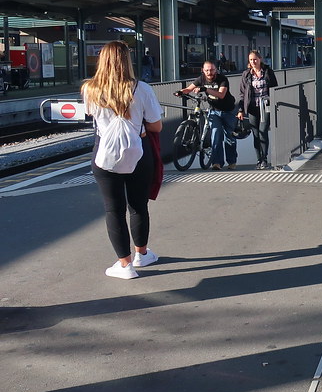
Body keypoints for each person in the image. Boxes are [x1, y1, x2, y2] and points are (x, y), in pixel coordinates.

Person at [81, 41, 163, 280]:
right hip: (138, 152)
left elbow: (93, 117)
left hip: (104, 153)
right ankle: (142, 254)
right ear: (126, 60)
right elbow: (156, 125)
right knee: (138, 206)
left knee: (113, 210)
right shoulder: (142, 88)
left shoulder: (89, 90)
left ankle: (124, 265)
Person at [178, 61, 237, 170]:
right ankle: (217, 163)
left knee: (230, 137)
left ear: (216, 70)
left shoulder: (222, 79)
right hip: (213, 111)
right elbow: (189, 88)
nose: (209, 72)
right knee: (216, 135)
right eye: (207, 70)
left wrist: (205, 89)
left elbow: (221, 95)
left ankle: (231, 161)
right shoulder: (201, 79)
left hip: (228, 111)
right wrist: (181, 92)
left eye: (211, 70)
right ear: (203, 70)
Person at [237, 50, 278, 170]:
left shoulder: (268, 72)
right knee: (255, 134)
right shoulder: (246, 74)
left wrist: (272, 100)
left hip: (266, 106)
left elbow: (275, 87)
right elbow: (242, 94)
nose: (253, 61)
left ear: (260, 59)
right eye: (251, 60)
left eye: (255, 59)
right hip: (252, 107)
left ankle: (264, 158)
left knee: (263, 131)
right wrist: (241, 110)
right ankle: (258, 159)